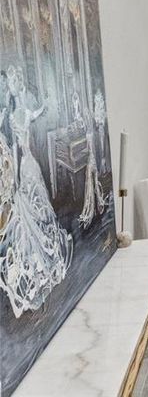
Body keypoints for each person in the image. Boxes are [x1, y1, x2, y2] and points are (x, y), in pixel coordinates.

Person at [0, 66, 72, 318]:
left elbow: (17, 147)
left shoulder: (15, 114)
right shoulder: (19, 113)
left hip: (25, 165)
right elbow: (37, 113)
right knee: (36, 206)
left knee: (35, 205)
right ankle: (42, 246)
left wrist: (16, 177)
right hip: (27, 164)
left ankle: (42, 246)